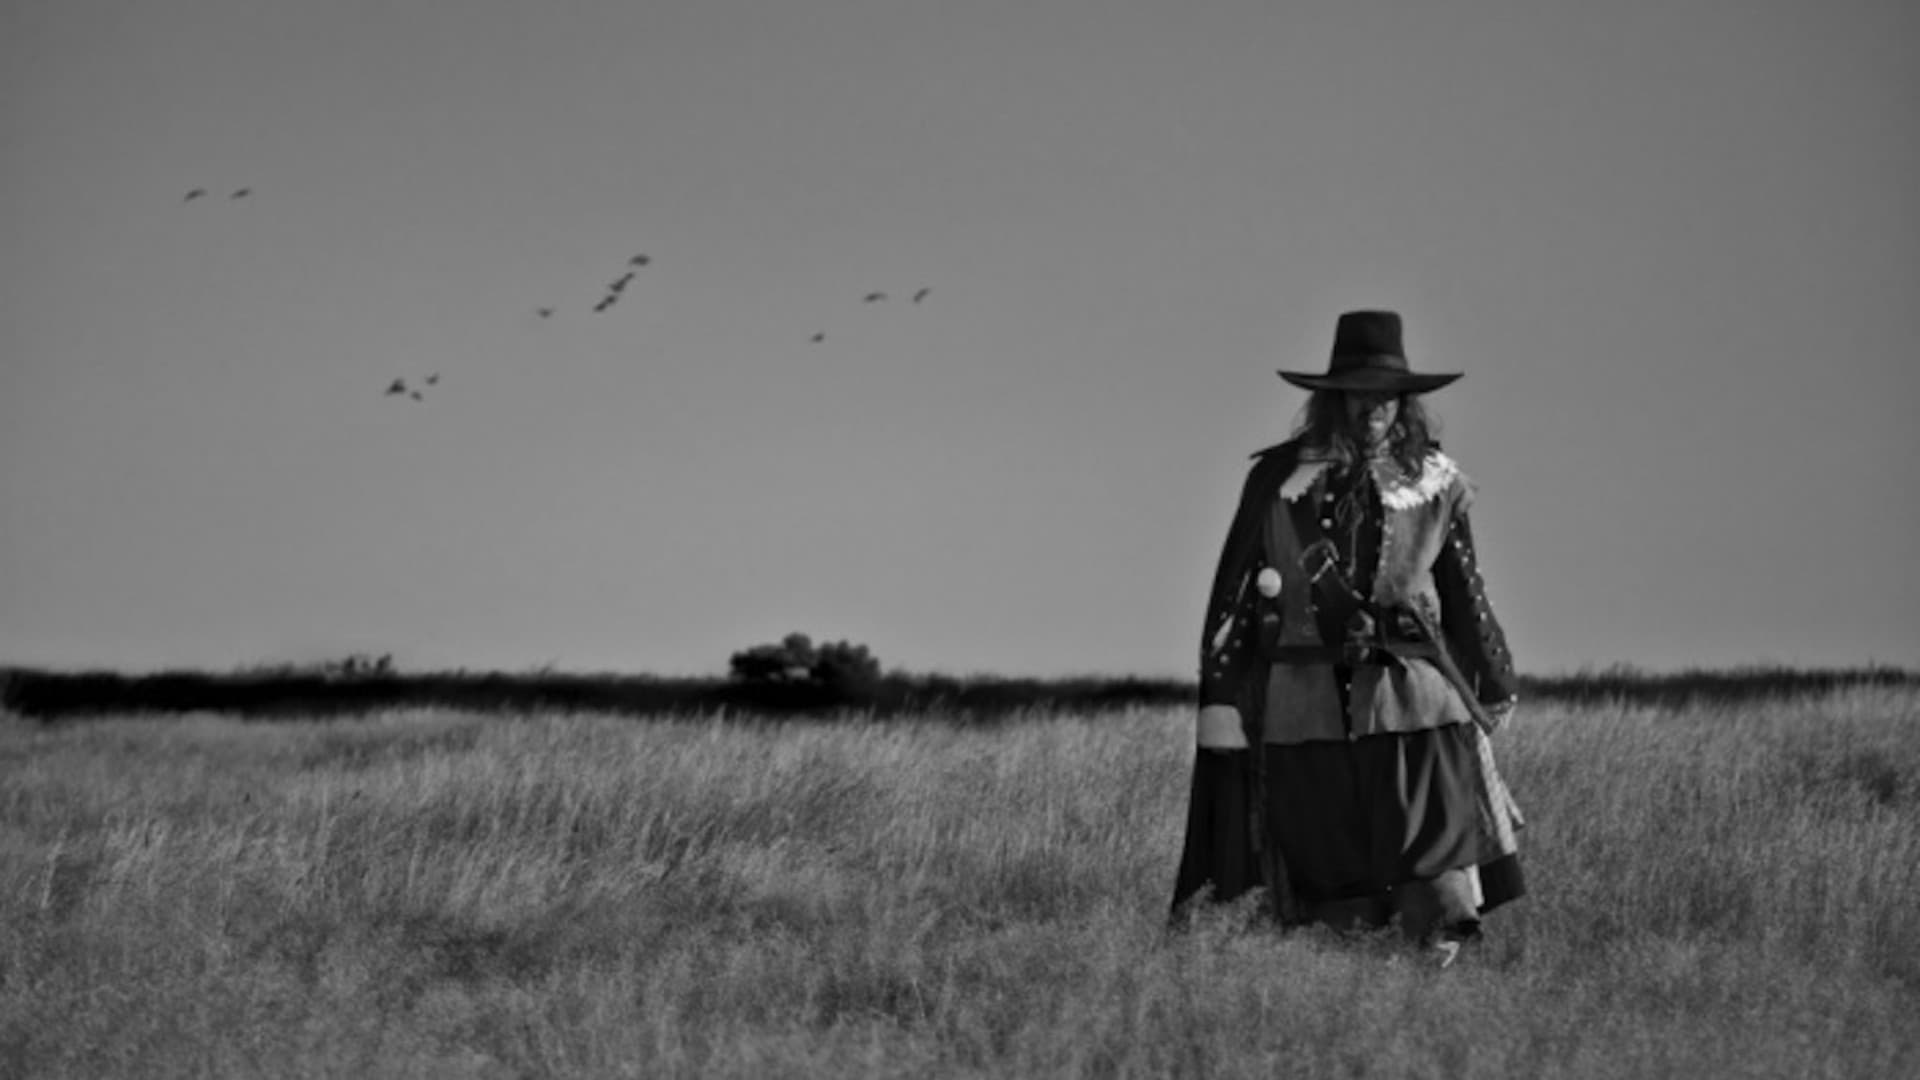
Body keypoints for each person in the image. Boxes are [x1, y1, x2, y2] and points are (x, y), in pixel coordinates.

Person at [1170, 309, 1525, 962]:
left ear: (1404, 403)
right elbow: (1237, 596)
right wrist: (1223, 692)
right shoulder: (1277, 481)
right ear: (1334, 399)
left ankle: (1430, 996)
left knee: (1434, 861)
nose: (1373, 409)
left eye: (1386, 395)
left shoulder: (1438, 482)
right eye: (1359, 393)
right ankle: (1357, 998)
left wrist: (1494, 678)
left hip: (1417, 703)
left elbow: (1464, 593)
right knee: (1331, 875)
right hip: (1305, 708)